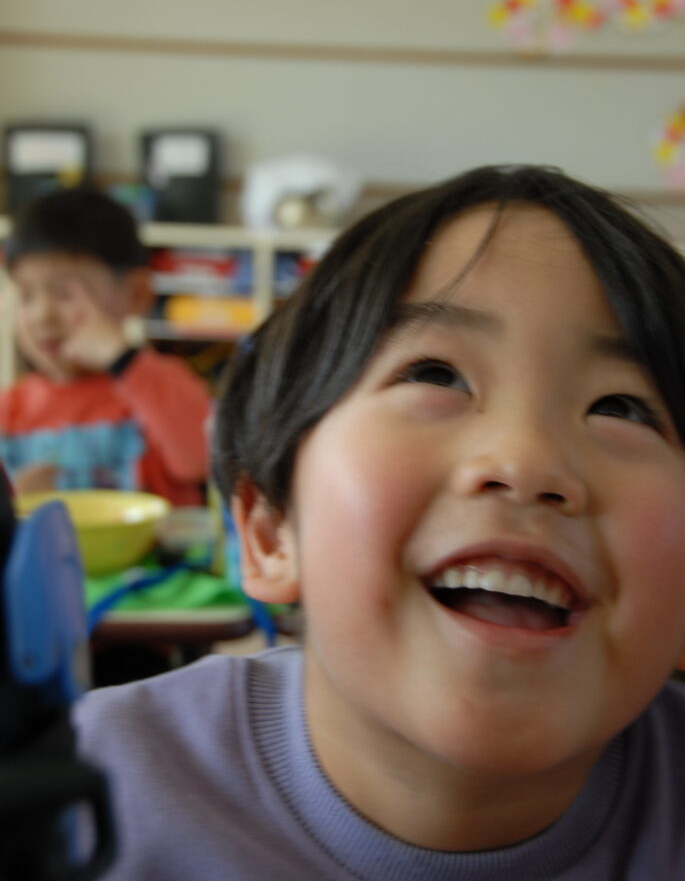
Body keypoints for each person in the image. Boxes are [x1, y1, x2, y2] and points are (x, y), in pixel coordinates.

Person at [74, 165, 685, 879]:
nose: (527, 461)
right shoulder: (82, 799)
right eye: (435, 374)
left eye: (621, 407)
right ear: (270, 533)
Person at [0, 185, 210, 505]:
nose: (42, 316)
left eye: (64, 294)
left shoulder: (160, 384)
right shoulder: (9, 410)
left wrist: (123, 359)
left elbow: (201, 461)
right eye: (27, 296)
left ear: (137, 294)